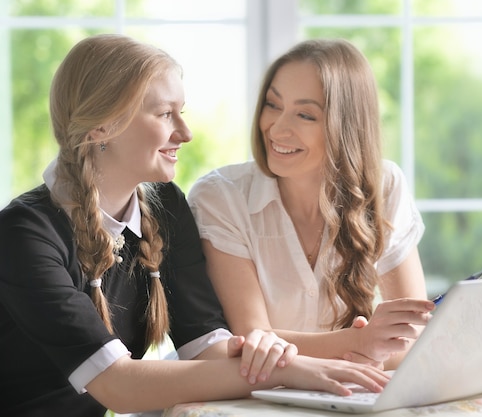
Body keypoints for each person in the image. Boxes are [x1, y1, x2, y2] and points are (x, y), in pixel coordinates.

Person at [0, 34, 390, 417]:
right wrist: (291, 372)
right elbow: (117, 385)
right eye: (165, 114)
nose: (184, 134)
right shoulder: (24, 233)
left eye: (181, 113)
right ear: (102, 126)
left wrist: (271, 356)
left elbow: (206, 345)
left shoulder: (165, 206)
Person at [188, 38, 433, 371]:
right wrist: (361, 343)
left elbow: (414, 337)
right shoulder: (221, 197)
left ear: (345, 126)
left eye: (305, 114)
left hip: (345, 392)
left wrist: (370, 351)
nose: (277, 127)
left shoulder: (385, 185)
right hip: (251, 395)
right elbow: (256, 341)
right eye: (273, 105)